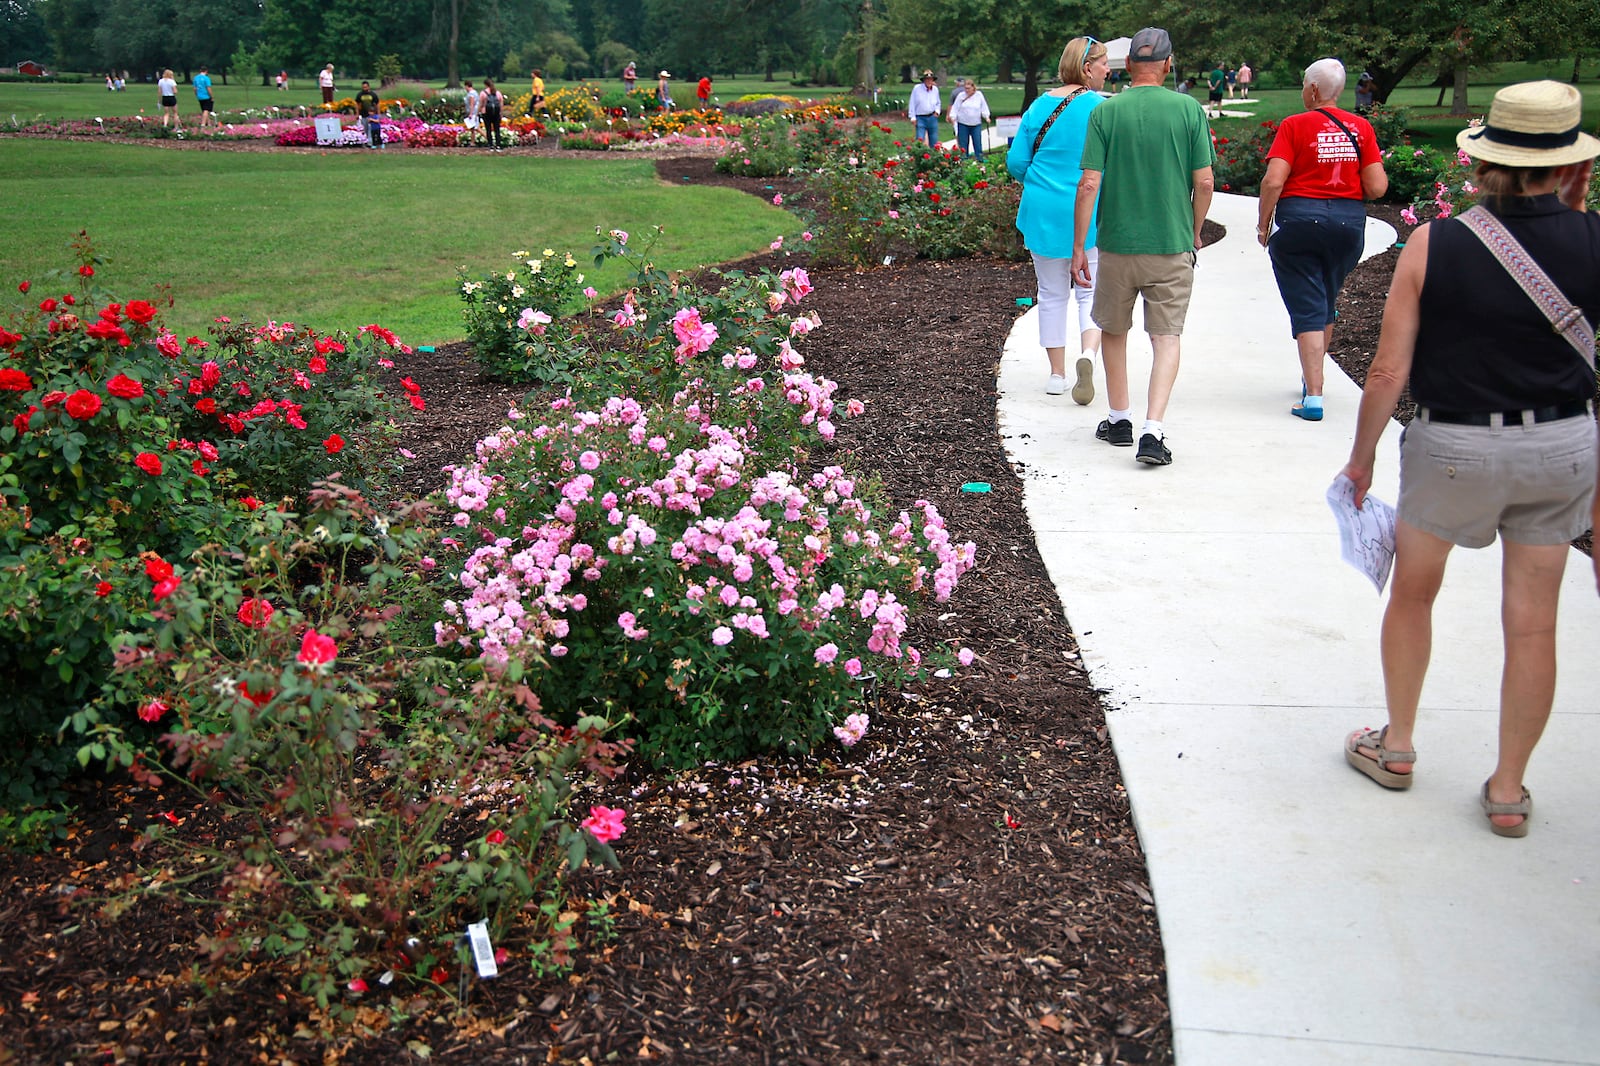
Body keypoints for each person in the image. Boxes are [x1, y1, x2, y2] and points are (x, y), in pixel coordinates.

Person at [1339, 80, 1600, 838]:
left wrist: (1361, 459)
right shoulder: (1595, 241)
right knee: (1533, 626)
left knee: (1414, 594)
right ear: (1568, 165)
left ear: (1485, 162)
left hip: (1453, 444)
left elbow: (1388, 371)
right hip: (1560, 444)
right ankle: (1510, 790)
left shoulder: (1436, 242)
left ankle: (1397, 745)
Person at [1071, 26, 1215, 466]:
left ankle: (1118, 420)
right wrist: (1193, 230)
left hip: (1117, 243)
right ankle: (1153, 431)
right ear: (1169, 65)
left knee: (1114, 330)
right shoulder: (1189, 110)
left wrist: (1080, 246)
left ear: (1128, 65)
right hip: (1170, 244)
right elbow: (1204, 181)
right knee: (1165, 337)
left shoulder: (1105, 113)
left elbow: (1089, 182)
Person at [1256, 58, 1388, 420]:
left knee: (1308, 304)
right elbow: (1377, 186)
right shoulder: (1361, 128)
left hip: (1299, 220)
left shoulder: (1294, 126)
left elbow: (1272, 181)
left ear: (1313, 90)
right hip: (1347, 224)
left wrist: (1263, 223)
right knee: (1325, 298)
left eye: (1302, 84)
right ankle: (1314, 378)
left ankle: (1313, 397)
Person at [1009, 37, 1110, 404]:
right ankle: (1088, 354)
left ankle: (1056, 374)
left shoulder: (1038, 107)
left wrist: (1042, 180)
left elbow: (1016, 163)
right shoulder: (1101, 108)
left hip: (1043, 210)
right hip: (1090, 209)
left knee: (1051, 294)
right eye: (1102, 63)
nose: (1107, 69)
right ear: (1086, 68)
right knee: (1090, 291)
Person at [946, 78, 992, 160]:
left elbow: (983, 107)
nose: (967, 90)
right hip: (963, 123)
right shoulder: (961, 96)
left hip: (976, 124)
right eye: (965, 88)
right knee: (963, 144)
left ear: (973, 87)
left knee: (977, 143)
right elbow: (955, 108)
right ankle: (964, 160)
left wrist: (986, 116)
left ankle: (980, 159)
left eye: (968, 88)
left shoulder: (979, 95)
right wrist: (952, 117)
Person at [909, 69, 941, 149]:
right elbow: (912, 103)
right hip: (920, 117)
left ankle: (933, 157)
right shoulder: (917, 89)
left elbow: (938, 102)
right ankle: (918, 156)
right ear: (924, 80)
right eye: (927, 79)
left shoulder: (935, 90)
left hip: (932, 117)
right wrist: (912, 117)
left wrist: (937, 111)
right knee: (920, 139)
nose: (929, 81)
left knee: (934, 140)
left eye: (930, 79)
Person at [354, 79, 382, 148]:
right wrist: (357, 114)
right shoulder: (360, 95)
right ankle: (370, 141)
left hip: (372, 115)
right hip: (363, 114)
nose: (364, 88)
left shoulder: (373, 94)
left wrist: (378, 113)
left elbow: (377, 104)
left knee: (370, 129)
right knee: (366, 128)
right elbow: (357, 104)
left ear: (368, 87)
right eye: (363, 87)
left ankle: (370, 143)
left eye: (366, 87)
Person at [481, 78, 504, 150]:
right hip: (496, 113)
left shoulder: (483, 93)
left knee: (488, 129)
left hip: (486, 112)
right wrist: (501, 112)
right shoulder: (497, 93)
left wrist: (479, 111)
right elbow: (501, 103)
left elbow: (481, 104)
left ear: (485, 84)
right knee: (497, 129)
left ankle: (490, 145)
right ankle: (498, 145)